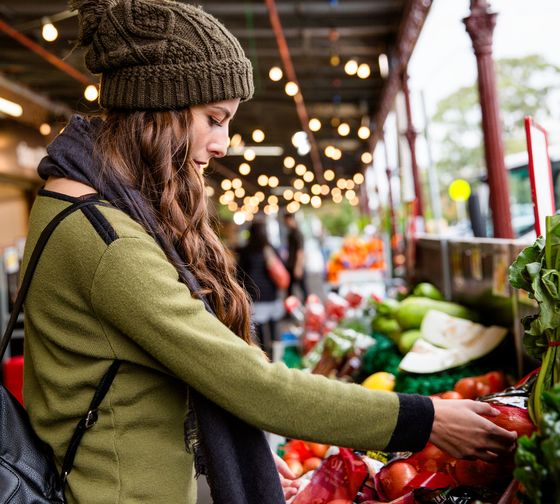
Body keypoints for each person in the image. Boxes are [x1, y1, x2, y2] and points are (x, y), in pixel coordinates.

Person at [21, 1, 516, 503]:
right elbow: (250, 384)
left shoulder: (75, 202)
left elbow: (128, 391)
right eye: (214, 118)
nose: (223, 143)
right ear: (161, 107)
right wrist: (423, 419)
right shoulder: (108, 240)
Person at [237, 220, 283, 358]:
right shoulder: (271, 249)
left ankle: (266, 356)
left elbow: (239, 273)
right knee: (274, 327)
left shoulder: (246, 250)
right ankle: (276, 356)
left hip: (255, 294)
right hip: (271, 294)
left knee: (260, 330)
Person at [284, 212, 309, 300]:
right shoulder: (291, 233)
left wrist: (298, 267)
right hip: (291, 265)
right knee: (290, 290)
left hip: (296, 265)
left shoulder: (297, 234)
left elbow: (300, 251)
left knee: (303, 290)